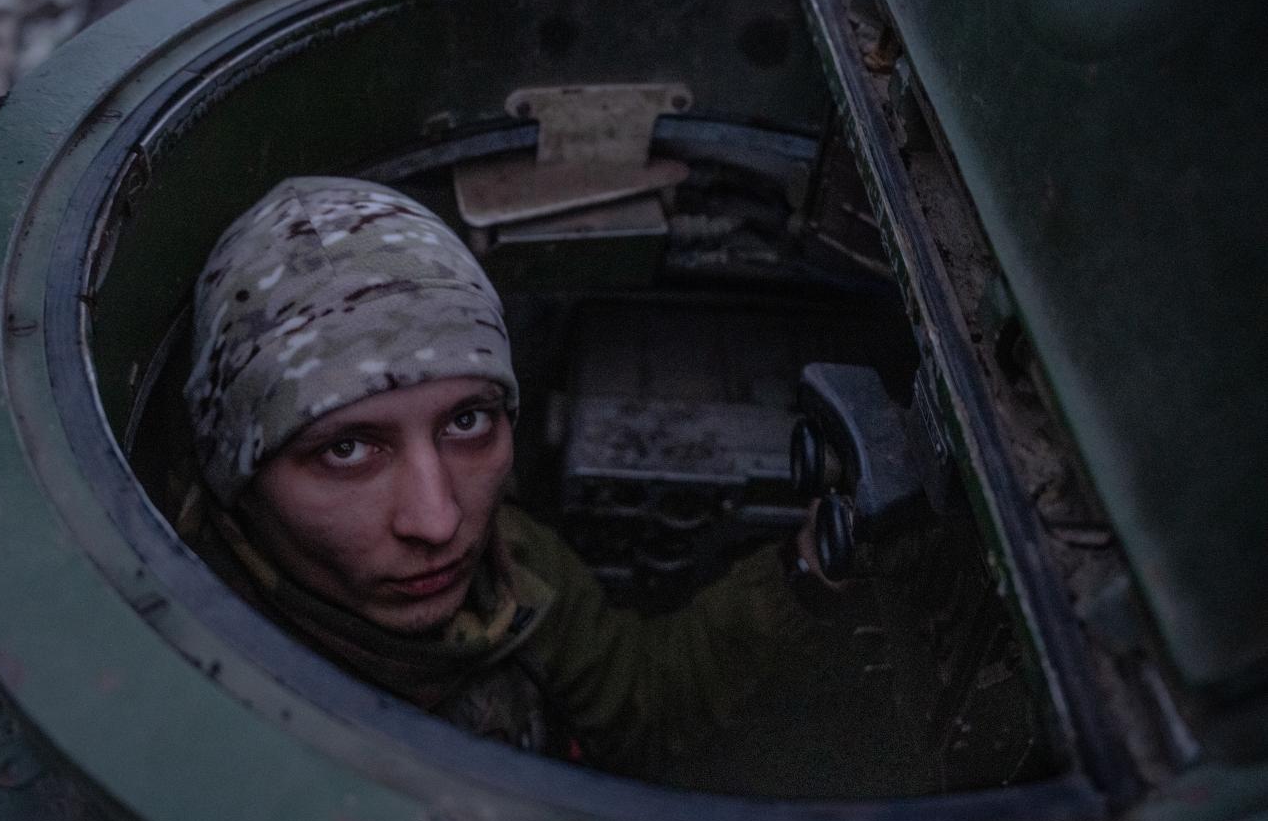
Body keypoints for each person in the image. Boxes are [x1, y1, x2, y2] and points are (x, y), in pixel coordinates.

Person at [179, 176, 818, 782]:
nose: (438, 521)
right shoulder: (191, 709)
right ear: (240, 477)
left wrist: (809, 565)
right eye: (346, 449)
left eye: (467, 422)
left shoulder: (511, 561)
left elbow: (640, 701)